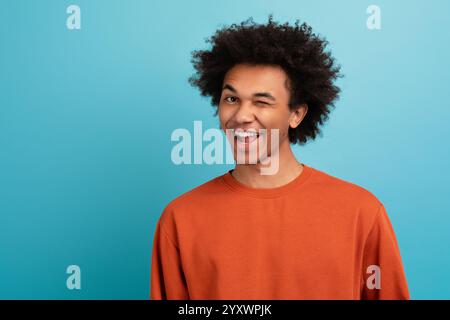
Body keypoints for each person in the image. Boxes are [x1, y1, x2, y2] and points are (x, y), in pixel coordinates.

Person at [150, 15, 409, 300]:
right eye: (231, 99)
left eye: (261, 102)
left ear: (296, 114)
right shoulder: (180, 220)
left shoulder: (362, 213)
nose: (241, 116)